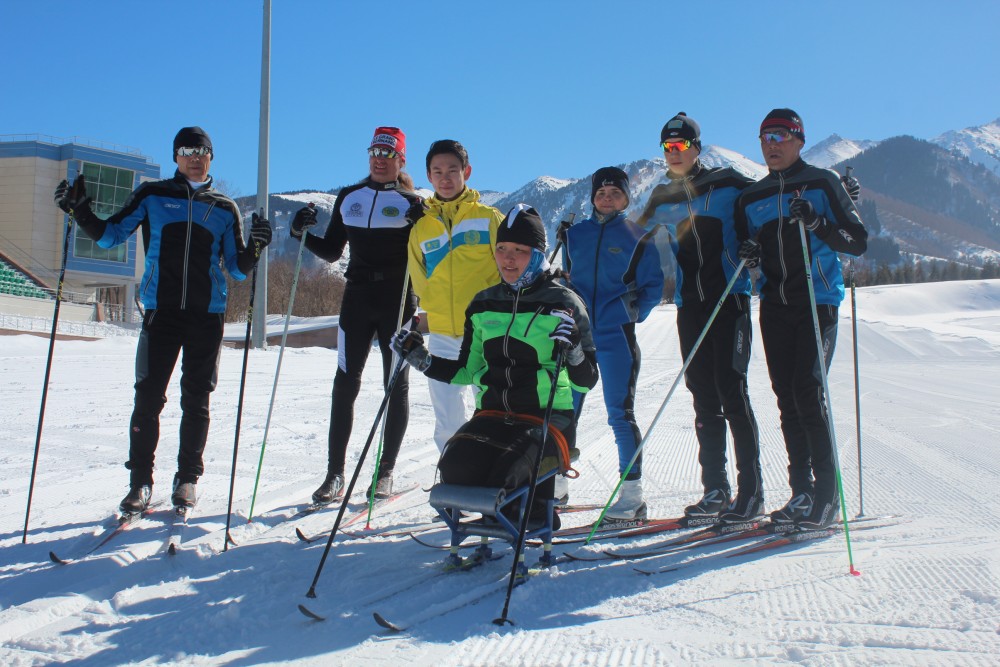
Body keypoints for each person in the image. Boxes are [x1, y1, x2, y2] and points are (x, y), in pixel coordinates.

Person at [53, 126, 272, 515]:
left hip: (206, 317)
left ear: (211, 157)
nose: (194, 157)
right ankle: (140, 483)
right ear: (175, 156)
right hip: (162, 314)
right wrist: (80, 211)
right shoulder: (153, 195)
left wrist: (255, 246)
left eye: (202, 151)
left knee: (197, 400)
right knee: (148, 398)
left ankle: (187, 479)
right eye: (186, 150)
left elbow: (237, 270)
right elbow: (109, 237)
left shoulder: (224, 208)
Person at [393, 204, 598, 524]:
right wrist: (423, 360)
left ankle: (535, 512)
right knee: (454, 468)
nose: (509, 258)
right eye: (502, 249)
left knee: (506, 473)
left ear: (538, 253)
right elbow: (467, 371)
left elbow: (586, 381)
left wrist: (573, 352)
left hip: (545, 420)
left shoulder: (564, 303)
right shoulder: (484, 304)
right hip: (492, 417)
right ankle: (512, 512)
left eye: (520, 250)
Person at [735, 108, 868, 529]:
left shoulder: (822, 183)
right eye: (765, 138)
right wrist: (749, 254)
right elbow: (746, 245)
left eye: (780, 136)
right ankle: (801, 492)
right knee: (786, 397)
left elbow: (857, 241)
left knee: (808, 392)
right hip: (775, 303)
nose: (772, 145)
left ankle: (827, 496)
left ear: (798, 139)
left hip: (818, 300)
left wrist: (816, 221)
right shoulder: (751, 198)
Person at [635, 112, 763, 524]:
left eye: (680, 146)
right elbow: (627, 239)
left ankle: (752, 493)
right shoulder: (661, 197)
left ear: (697, 148)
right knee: (703, 397)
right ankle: (716, 491)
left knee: (733, 393)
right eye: (667, 148)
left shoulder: (727, 184)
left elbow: (772, 202)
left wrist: (753, 247)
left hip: (730, 301)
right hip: (690, 307)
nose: (673, 154)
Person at [289, 127, 421, 503]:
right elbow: (332, 251)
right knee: (344, 384)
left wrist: (421, 220)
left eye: (388, 153)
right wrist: (300, 234)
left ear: (400, 160)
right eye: (375, 151)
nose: (380, 158)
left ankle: (386, 472)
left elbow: (428, 253)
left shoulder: (412, 200)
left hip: (398, 301)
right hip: (358, 298)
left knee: (395, 385)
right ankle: (335, 474)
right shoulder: (350, 197)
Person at [562, 167, 664, 520]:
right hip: (577, 335)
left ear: (626, 198)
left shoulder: (638, 236)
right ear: (592, 197)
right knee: (565, 411)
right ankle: (556, 486)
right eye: (601, 192)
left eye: (615, 193)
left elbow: (652, 287)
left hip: (615, 335)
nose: (607, 198)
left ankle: (631, 497)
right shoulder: (574, 235)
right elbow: (567, 282)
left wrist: (628, 312)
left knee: (620, 415)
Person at [406, 139, 503, 453]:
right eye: (437, 171)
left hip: (486, 332)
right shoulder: (421, 228)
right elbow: (419, 278)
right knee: (447, 413)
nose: (445, 178)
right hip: (444, 335)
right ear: (429, 177)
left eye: (452, 170)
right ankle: (454, 475)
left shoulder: (489, 218)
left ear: (467, 172)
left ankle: (496, 475)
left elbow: (509, 269)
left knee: (492, 407)